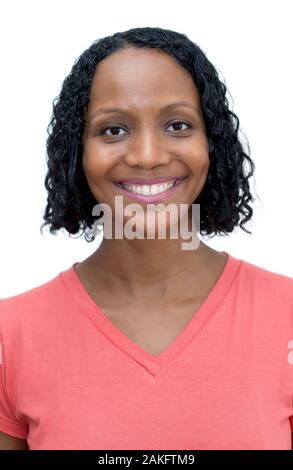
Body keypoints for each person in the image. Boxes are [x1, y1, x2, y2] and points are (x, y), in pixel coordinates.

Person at [0, 26, 292, 451]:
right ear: (76, 152)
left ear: (212, 144)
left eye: (177, 124)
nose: (147, 156)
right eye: (113, 130)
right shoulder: (11, 334)